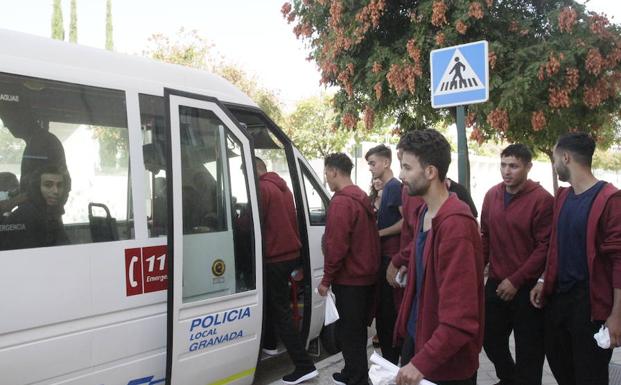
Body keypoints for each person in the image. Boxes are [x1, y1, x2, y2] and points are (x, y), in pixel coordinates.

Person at [530, 132, 621, 385]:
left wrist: (617, 315)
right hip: (558, 302)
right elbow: (556, 247)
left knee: (590, 377)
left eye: (556, 157)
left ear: (566, 157)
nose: (555, 163)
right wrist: (543, 279)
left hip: (591, 308)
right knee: (562, 369)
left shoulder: (610, 199)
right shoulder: (562, 197)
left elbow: (619, 261)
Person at [394, 129, 484, 385]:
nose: (401, 176)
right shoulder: (424, 213)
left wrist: (422, 363)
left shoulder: (456, 226)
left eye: (407, 167)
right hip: (419, 344)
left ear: (430, 172)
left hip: (445, 365)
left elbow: (461, 319)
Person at [481, 144, 553, 385]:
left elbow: (545, 247)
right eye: (503, 165)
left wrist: (517, 280)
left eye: (514, 166)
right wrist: (478, 267)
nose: (507, 171)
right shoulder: (492, 195)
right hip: (496, 283)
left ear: (528, 167)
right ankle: (509, 378)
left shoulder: (542, 200)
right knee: (488, 339)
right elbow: (485, 236)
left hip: (527, 289)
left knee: (529, 352)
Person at [318, 152, 380, 385]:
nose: (326, 178)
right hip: (365, 277)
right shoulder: (361, 196)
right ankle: (351, 371)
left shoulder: (342, 201)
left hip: (350, 279)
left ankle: (357, 378)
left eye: (326, 173)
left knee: (350, 333)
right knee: (354, 331)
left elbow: (336, 245)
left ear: (334, 171)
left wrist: (326, 280)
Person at [255, 157, 318, 385]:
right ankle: (270, 344)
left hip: (274, 257)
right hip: (290, 255)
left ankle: (304, 365)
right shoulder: (284, 188)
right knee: (274, 303)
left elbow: (252, 222)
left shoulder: (262, 188)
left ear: (255, 169)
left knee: (281, 312)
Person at [365, 144, 403, 365]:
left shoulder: (394, 187)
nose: (370, 168)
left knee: (389, 317)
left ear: (386, 162)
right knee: (383, 318)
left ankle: (392, 363)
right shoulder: (387, 188)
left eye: (373, 163)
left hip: (391, 259)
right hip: (384, 258)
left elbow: (406, 221)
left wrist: (378, 233)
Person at [0, 165, 70, 250]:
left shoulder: (50, 214)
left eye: (59, 185)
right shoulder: (25, 216)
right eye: (48, 185)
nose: (55, 191)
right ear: (37, 188)